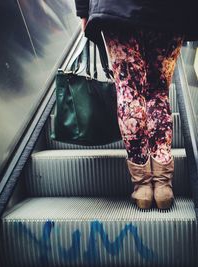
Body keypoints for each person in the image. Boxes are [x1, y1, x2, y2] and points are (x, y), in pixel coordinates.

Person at [74, 0, 198, 209]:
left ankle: (142, 187)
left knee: (130, 92)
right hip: (172, 10)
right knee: (158, 92)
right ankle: (163, 187)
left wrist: (83, 11)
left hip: (117, 7)